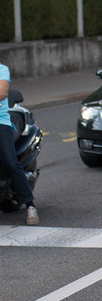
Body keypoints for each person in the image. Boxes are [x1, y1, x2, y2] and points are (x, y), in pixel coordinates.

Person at [0, 63, 38, 225]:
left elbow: (2, 92)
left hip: (1, 123)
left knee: (10, 161)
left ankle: (30, 206)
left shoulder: (2, 69)